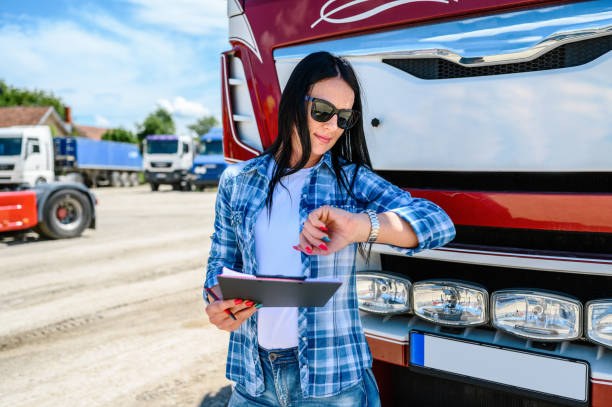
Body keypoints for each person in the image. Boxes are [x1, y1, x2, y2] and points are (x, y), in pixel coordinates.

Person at [204, 51, 455, 407]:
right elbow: (219, 263)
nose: (332, 126)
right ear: (294, 102)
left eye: (344, 118)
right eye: (322, 111)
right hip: (253, 382)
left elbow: (437, 222)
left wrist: (358, 226)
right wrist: (217, 303)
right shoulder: (238, 181)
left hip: (333, 383)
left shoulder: (351, 181)